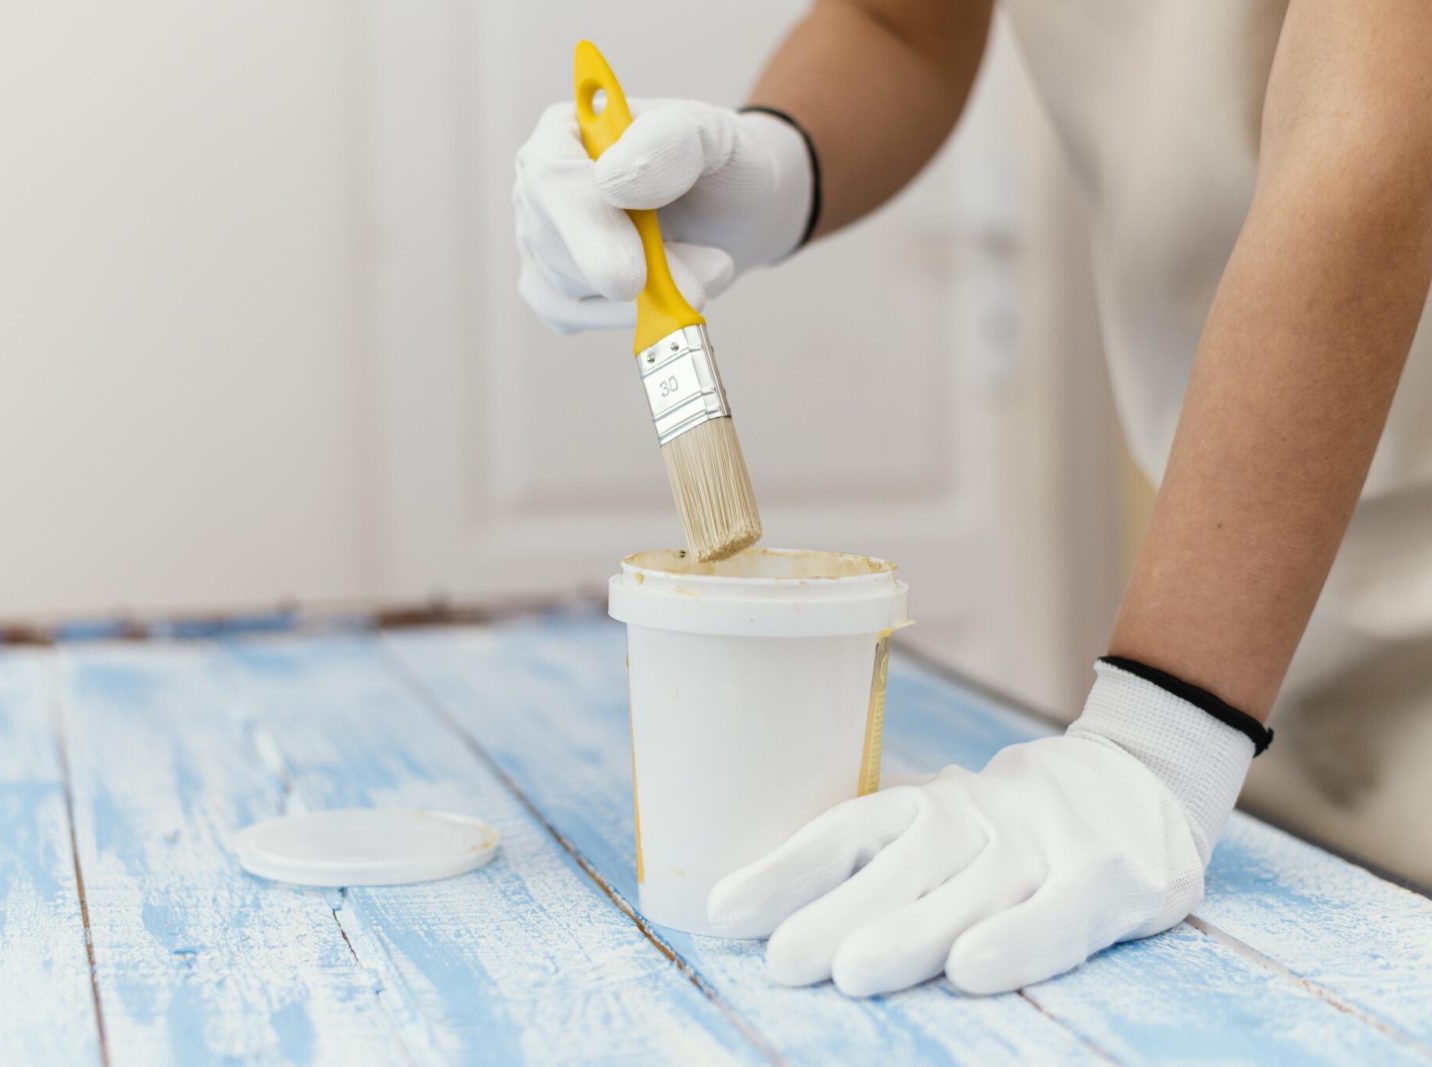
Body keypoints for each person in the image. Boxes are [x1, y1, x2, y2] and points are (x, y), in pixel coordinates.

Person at [513, 0, 1432, 996]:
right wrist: (774, 164)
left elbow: (1378, 127)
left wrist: (1160, 737)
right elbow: (899, 25)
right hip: (1265, 618)